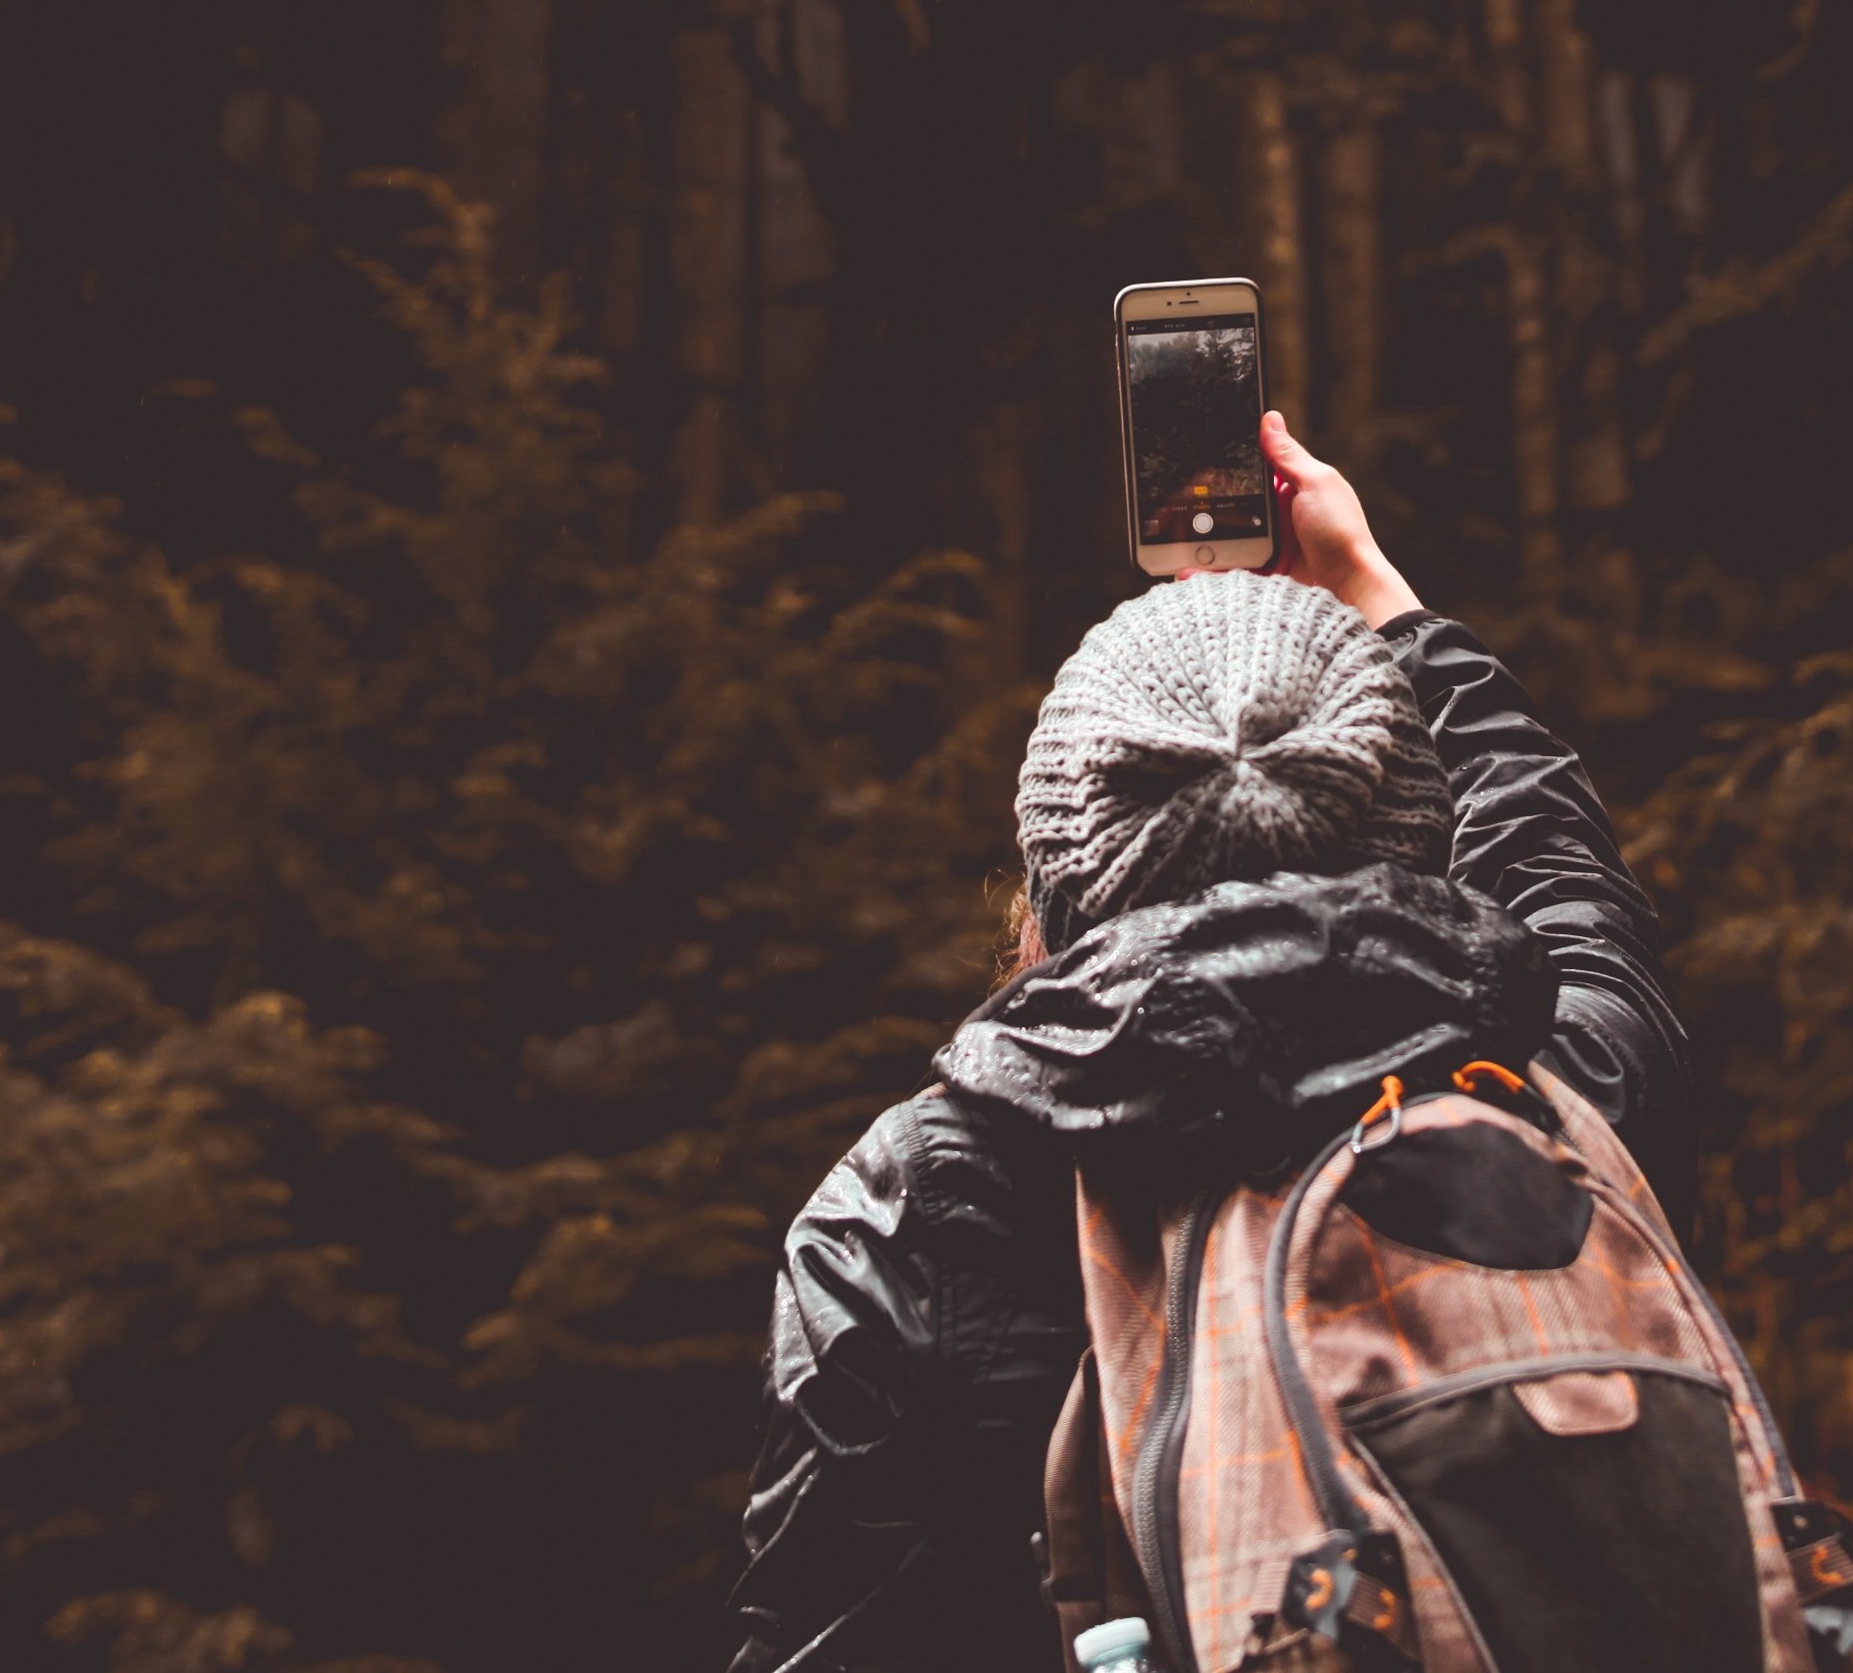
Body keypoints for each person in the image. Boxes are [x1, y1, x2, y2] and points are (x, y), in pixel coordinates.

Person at [722, 413, 1695, 1673]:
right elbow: (1560, 872)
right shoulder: (1558, 1097)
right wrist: (1380, 602)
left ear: (1056, 882)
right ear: (1409, 836)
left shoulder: (914, 1210)